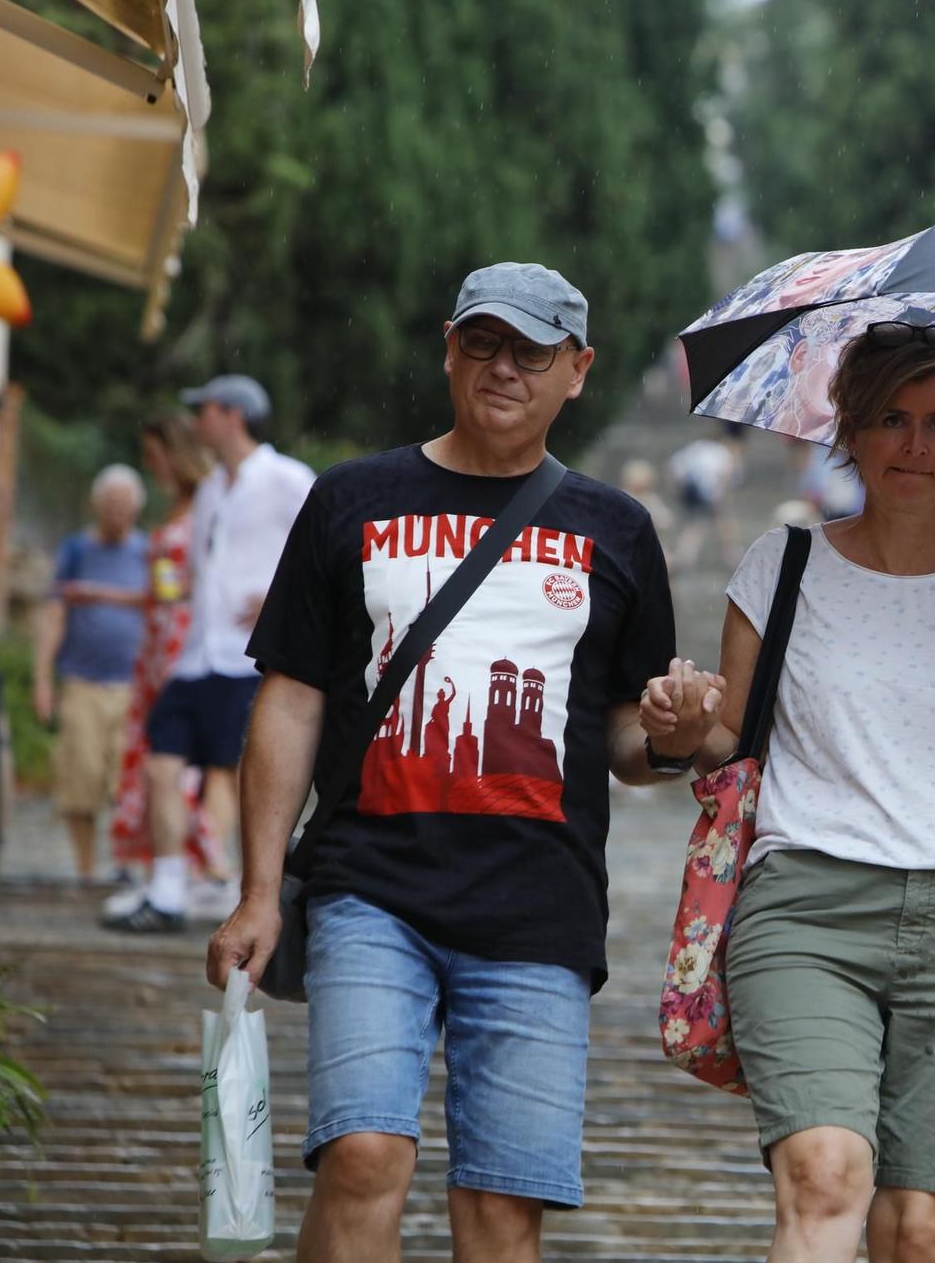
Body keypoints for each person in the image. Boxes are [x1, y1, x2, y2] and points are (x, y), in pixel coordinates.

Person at [205, 262, 707, 1263]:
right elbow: (293, 698)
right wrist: (261, 891)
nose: (503, 368)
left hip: (537, 906)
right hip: (368, 887)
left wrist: (673, 736)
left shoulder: (617, 530)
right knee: (359, 1155)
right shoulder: (353, 498)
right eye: (482, 343)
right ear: (447, 347)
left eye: (531, 351)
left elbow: (621, 739)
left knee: (499, 1209)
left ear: (579, 370)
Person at [642, 319, 935, 1263]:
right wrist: (682, 729)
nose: (914, 445)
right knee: (827, 1172)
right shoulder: (783, 564)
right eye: (891, 417)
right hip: (808, 909)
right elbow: (731, 735)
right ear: (851, 427)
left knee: (918, 1232)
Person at [105, 375, 314, 932]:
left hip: (243, 658)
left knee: (228, 772)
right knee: (160, 766)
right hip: (196, 653)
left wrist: (279, 598)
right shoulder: (212, 490)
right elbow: (198, 569)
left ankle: (213, 883)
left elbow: (328, 545)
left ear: (232, 415)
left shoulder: (286, 478)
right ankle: (169, 887)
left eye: (205, 410)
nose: (197, 422)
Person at [106, 414, 217, 900]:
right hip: (156, 643)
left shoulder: (209, 503)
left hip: (186, 643)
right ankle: (164, 866)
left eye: (155, 454)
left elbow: (212, 577)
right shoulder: (177, 505)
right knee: (153, 755)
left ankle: (193, 867)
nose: (151, 465)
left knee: (175, 760)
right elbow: (160, 589)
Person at [34, 465, 149, 883]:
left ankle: (125, 867)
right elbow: (53, 614)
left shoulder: (147, 552)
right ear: (97, 506)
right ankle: (86, 869)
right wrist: (43, 679)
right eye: (111, 504)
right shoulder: (76, 551)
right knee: (79, 778)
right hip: (82, 682)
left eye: (125, 505)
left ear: (136, 509)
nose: (118, 512)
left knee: (127, 783)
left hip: (135, 686)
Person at [668, 434, 740, 568]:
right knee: (719, 521)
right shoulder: (722, 451)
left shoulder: (694, 448)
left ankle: (686, 554)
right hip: (709, 491)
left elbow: (675, 469)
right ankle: (729, 554)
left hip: (689, 490)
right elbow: (725, 475)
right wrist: (722, 498)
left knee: (694, 523)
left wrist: (679, 493)